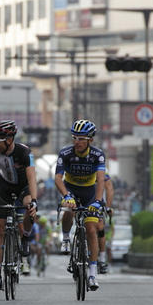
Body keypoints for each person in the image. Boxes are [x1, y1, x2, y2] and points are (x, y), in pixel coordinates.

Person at [55, 120, 106, 291]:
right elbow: (57, 178)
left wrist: (98, 201)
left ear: (90, 140)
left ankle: (92, 273)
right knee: (69, 208)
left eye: (81, 138)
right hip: (70, 189)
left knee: (91, 229)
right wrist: (66, 195)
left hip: (89, 192)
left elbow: (100, 180)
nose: (77, 141)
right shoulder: (65, 153)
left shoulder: (98, 155)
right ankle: (66, 238)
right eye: (75, 137)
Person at [0, 120, 37, 290]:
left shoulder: (24, 152)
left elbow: (31, 178)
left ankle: (25, 237)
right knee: (0, 230)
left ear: (9, 139)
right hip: (5, 188)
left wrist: (35, 201)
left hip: (24, 188)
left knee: (29, 206)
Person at [97, 173, 115, 274]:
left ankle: (103, 259)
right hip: (83, 200)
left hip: (98, 203)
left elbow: (110, 189)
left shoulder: (102, 174)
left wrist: (108, 207)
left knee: (100, 227)